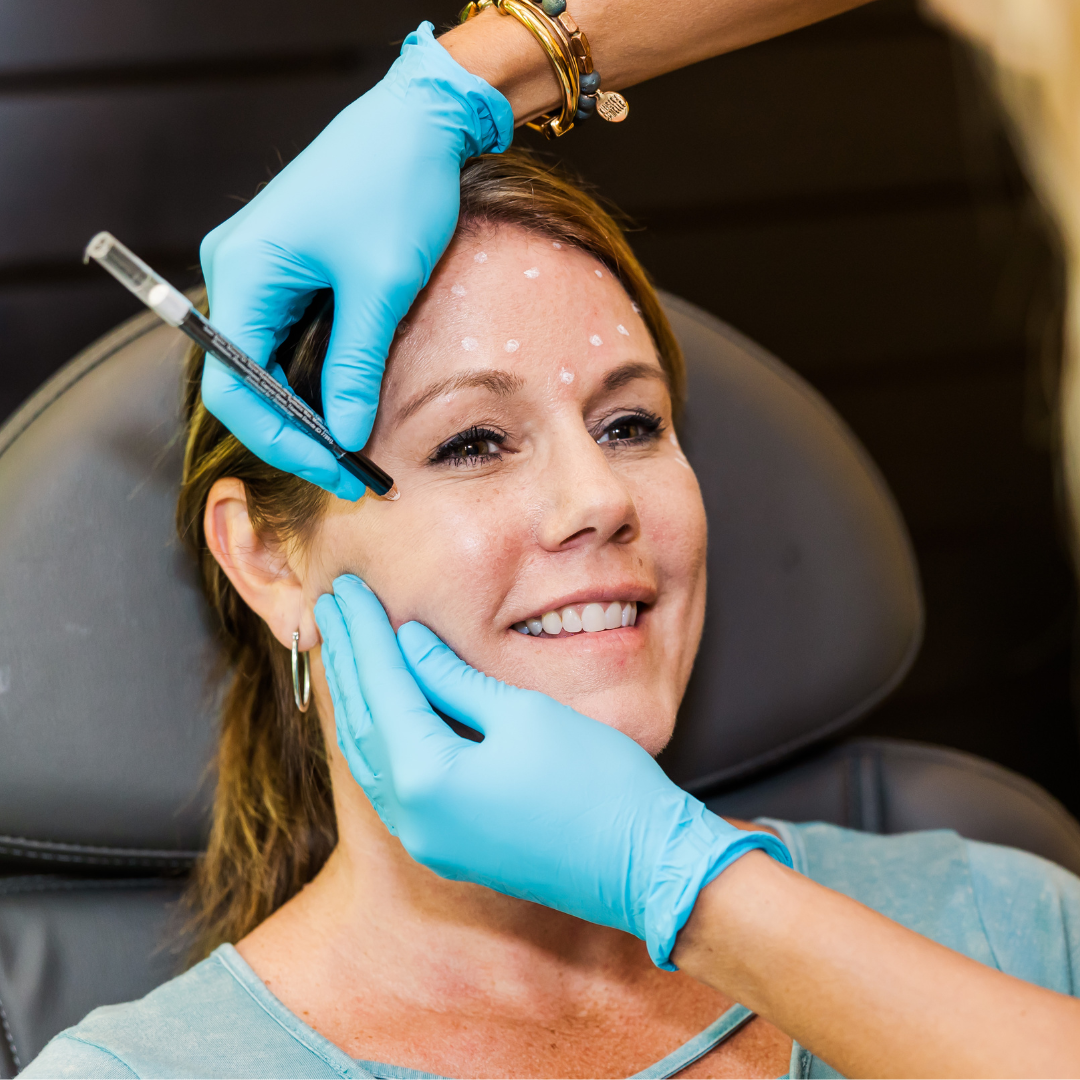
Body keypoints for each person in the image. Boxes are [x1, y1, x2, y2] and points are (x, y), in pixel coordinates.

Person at [24, 152, 1080, 1080]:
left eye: (631, 423)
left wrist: (693, 894)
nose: (602, 501)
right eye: (473, 441)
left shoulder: (1008, 926)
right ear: (267, 561)